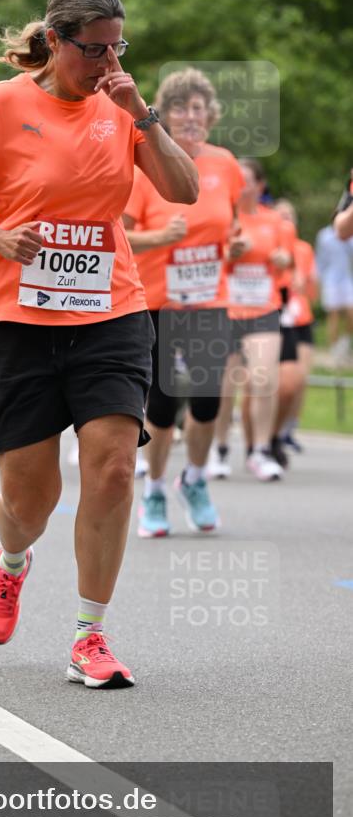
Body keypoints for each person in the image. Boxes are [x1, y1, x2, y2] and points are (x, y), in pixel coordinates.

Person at [0, 0, 197, 688]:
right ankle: (11, 563)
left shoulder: (121, 107)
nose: (107, 63)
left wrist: (141, 114)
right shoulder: (1, 105)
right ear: (54, 41)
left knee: (112, 467)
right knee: (30, 499)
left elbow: (184, 190)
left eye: (117, 48)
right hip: (13, 319)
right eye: (93, 49)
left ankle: (89, 635)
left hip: (109, 311)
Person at [123, 67, 244, 536]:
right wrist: (159, 238)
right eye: (179, 107)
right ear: (164, 115)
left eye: (198, 108)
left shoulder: (226, 165)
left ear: (210, 115)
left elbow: (229, 225)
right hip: (158, 298)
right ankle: (153, 489)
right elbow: (118, 235)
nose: (190, 116)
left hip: (210, 298)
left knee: (209, 398)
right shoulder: (146, 163)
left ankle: (193, 479)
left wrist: (234, 245)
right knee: (163, 403)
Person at [211, 159, 293, 481]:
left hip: (263, 308)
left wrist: (283, 259)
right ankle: (218, 449)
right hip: (226, 308)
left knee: (264, 378)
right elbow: (206, 258)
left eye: (246, 180)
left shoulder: (276, 222)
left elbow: (287, 261)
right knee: (224, 385)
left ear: (260, 186)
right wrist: (229, 254)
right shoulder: (222, 218)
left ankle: (260, 450)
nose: (241, 186)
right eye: (236, 180)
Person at [274, 198, 317, 453]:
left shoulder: (303, 249)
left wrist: (304, 285)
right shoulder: (270, 245)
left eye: (289, 216)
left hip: (301, 317)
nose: (286, 221)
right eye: (281, 216)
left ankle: (288, 429)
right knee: (276, 381)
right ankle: (271, 430)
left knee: (300, 378)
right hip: (277, 316)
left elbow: (310, 283)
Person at [315, 223, 353, 367]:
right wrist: (318, 280)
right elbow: (320, 259)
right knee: (333, 315)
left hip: (346, 279)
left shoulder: (350, 235)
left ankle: (344, 343)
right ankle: (334, 350)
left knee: (351, 313)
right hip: (330, 279)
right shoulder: (324, 235)